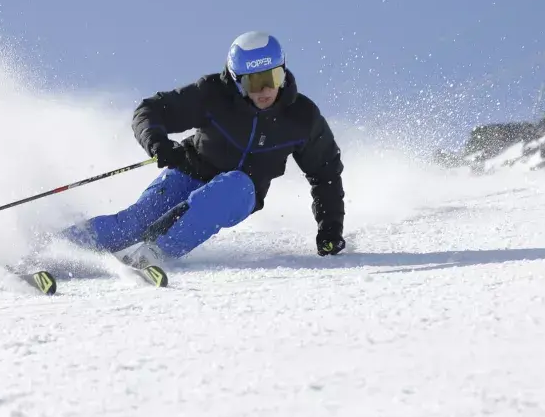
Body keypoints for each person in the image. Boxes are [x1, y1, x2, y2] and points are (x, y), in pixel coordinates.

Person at [58, 31, 346, 271]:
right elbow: (150, 111)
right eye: (253, 82)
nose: (265, 90)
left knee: (230, 187)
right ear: (236, 80)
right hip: (190, 173)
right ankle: (51, 249)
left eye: (272, 77)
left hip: (240, 192)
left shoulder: (301, 117)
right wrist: (158, 143)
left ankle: (152, 255)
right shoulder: (213, 94)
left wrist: (330, 229)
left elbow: (326, 172)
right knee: (134, 223)